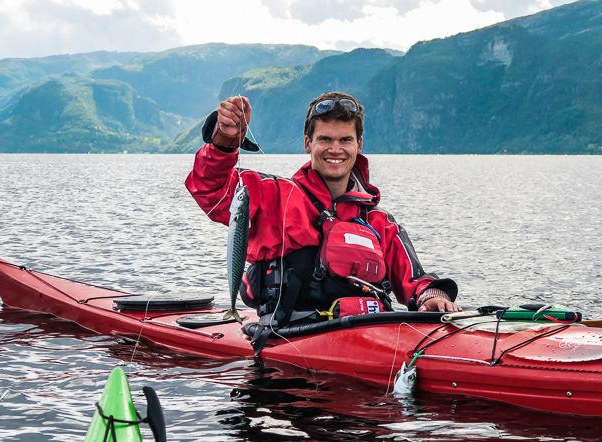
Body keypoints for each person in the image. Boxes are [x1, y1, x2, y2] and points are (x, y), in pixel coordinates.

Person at [186, 92, 461, 328]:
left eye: (345, 140)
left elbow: (414, 279)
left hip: (368, 339)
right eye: (325, 139)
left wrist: (432, 296)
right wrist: (224, 140)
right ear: (308, 144)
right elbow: (210, 188)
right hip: (288, 342)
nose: (335, 149)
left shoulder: (379, 221)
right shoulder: (273, 194)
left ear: (359, 145)